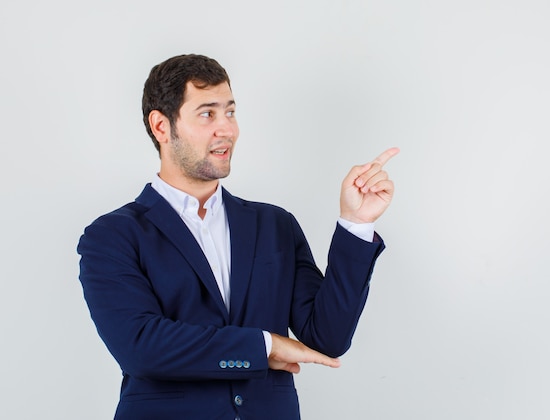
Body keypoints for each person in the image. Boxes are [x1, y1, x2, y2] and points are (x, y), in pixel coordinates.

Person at [77, 53, 398, 420]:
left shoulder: (276, 225)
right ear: (162, 127)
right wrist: (264, 346)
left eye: (230, 112)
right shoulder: (112, 236)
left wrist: (355, 224)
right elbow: (141, 347)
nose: (227, 129)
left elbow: (327, 340)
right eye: (207, 114)